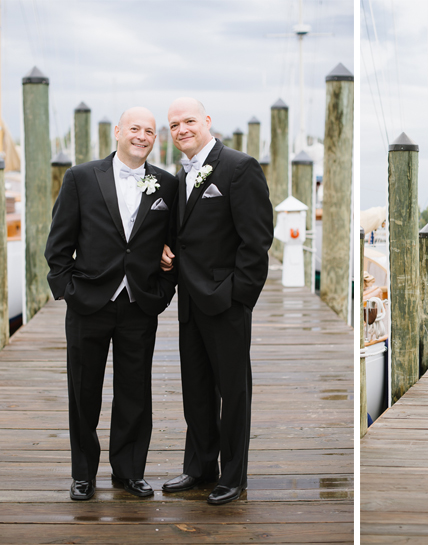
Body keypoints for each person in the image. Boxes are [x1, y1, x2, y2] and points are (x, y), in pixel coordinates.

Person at [45, 107, 178, 500]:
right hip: (89, 301)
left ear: (156, 140)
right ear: (118, 131)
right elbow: (58, 246)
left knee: (135, 392)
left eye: (150, 131)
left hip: (139, 302)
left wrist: (164, 289)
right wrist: (69, 290)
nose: (142, 136)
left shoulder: (167, 185)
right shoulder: (81, 177)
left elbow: (174, 244)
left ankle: (129, 471)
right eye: (134, 128)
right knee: (84, 391)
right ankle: (83, 473)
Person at [160, 97, 273, 505]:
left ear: (207, 121)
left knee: (233, 391)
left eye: (188, 121)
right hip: (189, 301)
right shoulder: (182, 173)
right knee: (197, 389)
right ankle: (199, 466)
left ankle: (233, 476)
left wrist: (237, 298)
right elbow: (185, 231)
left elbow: (257, 241)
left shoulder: (239, 167)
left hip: (225, 303)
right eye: (173, 125)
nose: (181, 130)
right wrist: (165, 248)